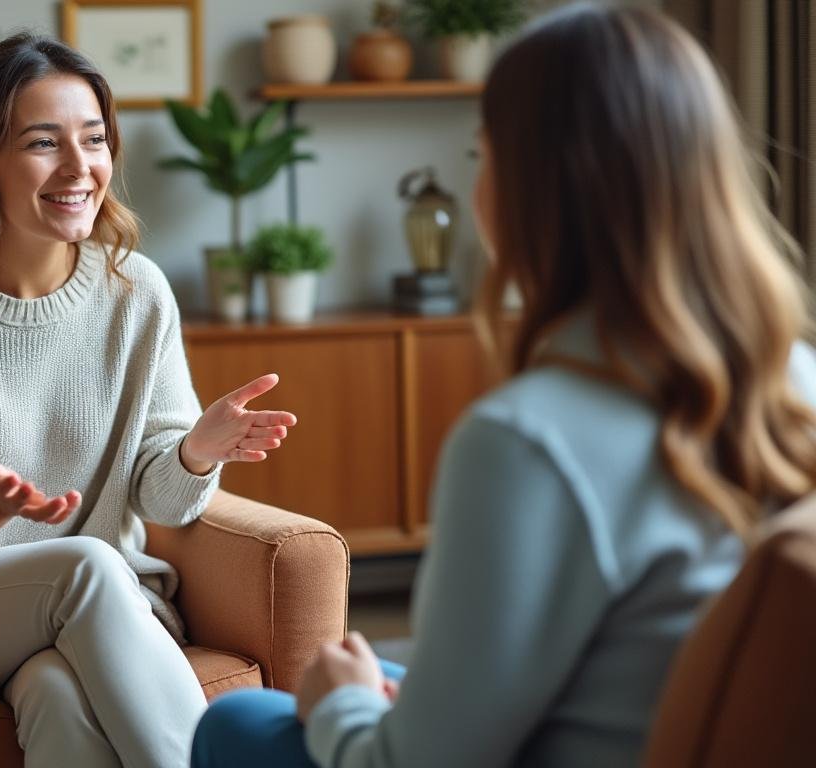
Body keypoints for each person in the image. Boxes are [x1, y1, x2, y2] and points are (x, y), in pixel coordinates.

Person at [191, 5, 816, 767]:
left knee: (241, 719)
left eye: (483, 154)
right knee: (380, 677)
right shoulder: (795, 380)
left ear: (534, 189)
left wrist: (342, 706)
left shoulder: (526, 441)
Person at [0, 33, 298, 768]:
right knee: (88, 567)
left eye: (94, 139)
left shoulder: (137, 293)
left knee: (57, 692)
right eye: (44, 143)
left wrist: (195, 453)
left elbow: (165, 504)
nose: (80, 167)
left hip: (84, 611)